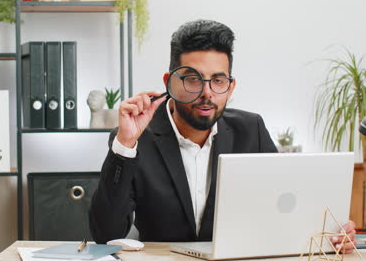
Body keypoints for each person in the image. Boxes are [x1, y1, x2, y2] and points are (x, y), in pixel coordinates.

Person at [89, 19, 356, 253]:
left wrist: (331, 234)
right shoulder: (136, 137)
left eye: (218, 80)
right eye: (193, 79)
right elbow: (104, 233)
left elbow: (284, 210)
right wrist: (125, 145)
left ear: (230, 86)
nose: (207, 93)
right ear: (169, 83)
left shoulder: (251, 130)